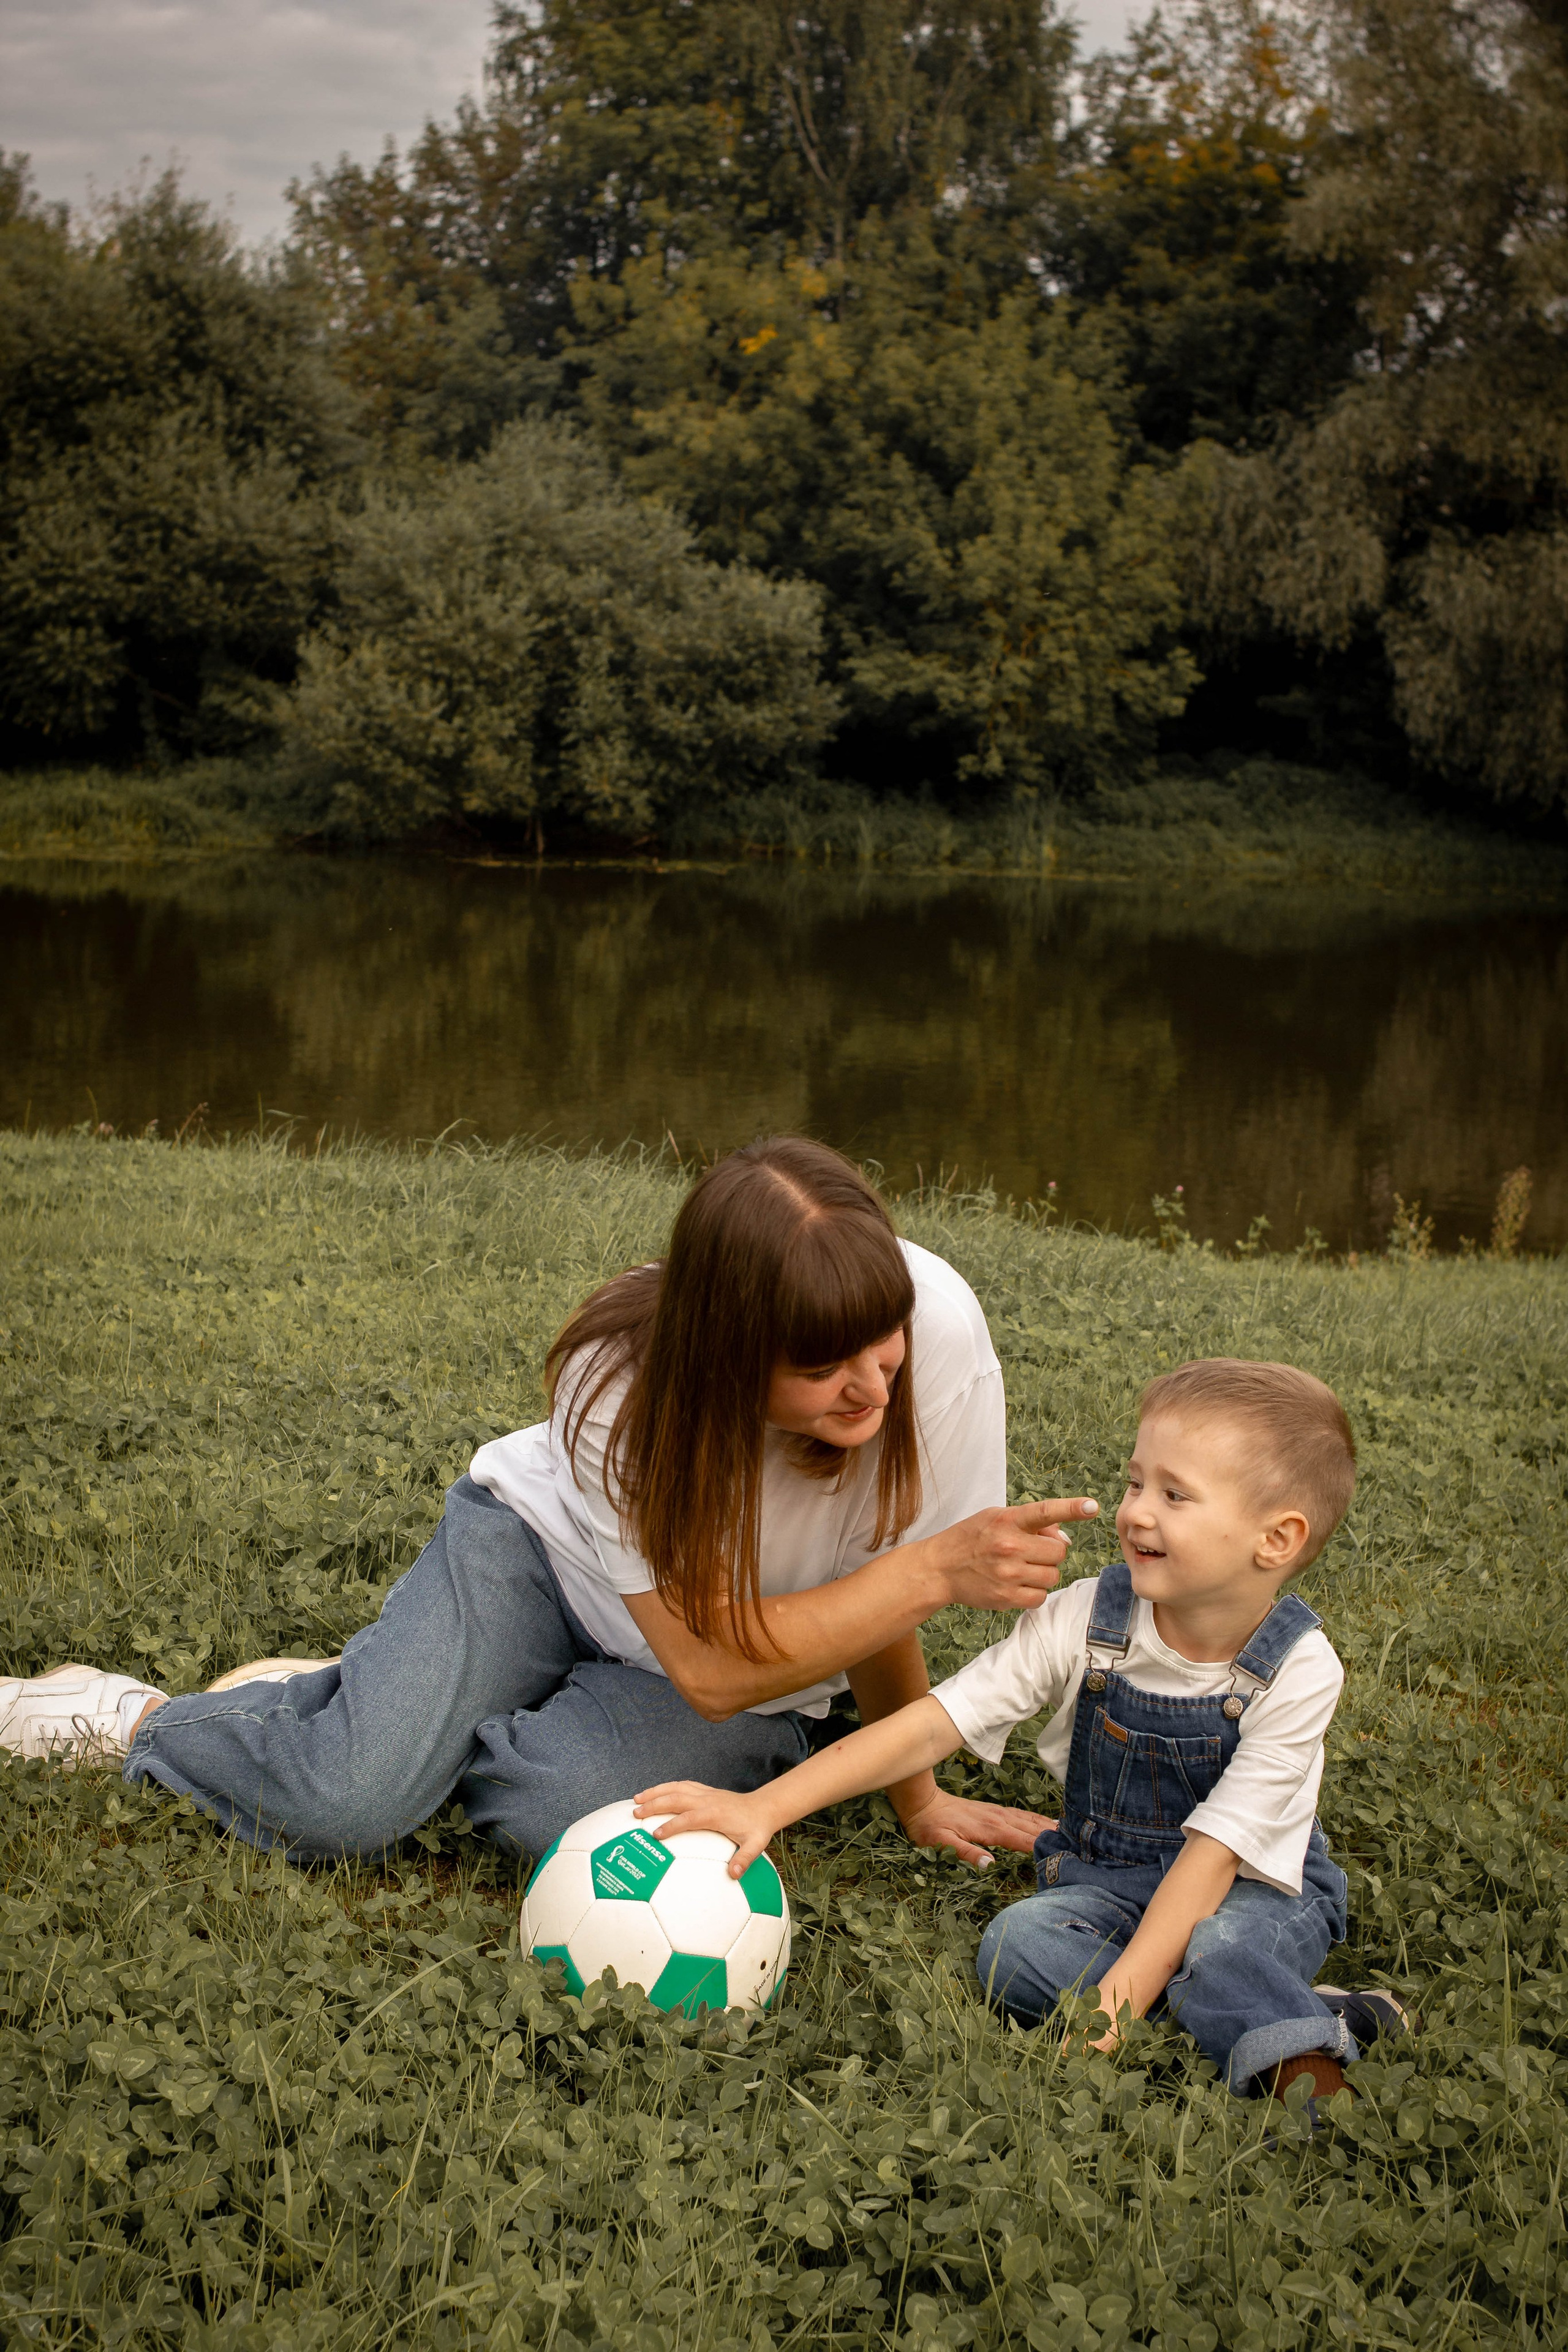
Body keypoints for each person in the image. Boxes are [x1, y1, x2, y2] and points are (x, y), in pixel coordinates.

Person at [0, 1137, 1098, 1868]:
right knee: (349, 1805)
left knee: (540, 1806)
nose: (871, 1386)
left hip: (743, 1670)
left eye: (882, 1351)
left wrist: (919, 1798)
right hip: (542, 1567)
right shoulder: (621, 1390)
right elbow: (721, 1669)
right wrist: (939, 1569)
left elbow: (878, 1597)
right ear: (726, 1351)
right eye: (822, 1369)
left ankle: (392, 1707)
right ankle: (134, 1716)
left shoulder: (935, 1327)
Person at [636, 1357, 1411, 2103]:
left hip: (1254, 1890)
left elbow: (1210, 1862)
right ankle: (1290, 2013)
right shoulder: (1086, 1617)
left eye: (1176, 1496)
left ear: (1274, 1539)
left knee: (1220, 1948)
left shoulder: (1300, 1671)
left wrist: (1112, 2007)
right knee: (1017, 1949)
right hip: (1114, 1882)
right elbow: (936, 1721)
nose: (1135, 1510)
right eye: (1136, 1481)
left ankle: (1307, 2083)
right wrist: (765, 1807)